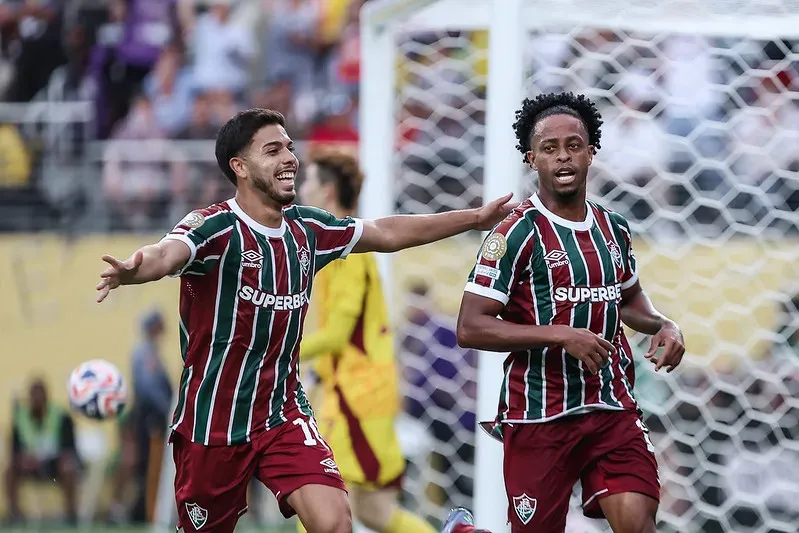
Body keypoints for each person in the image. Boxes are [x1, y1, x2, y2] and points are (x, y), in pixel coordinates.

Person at [95, 108, 514, 533]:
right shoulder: (216, 227)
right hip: (213, 423)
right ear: (239, 167)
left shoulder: (308, 229)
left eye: (290, 148)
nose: (290, 158)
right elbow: (168, 253)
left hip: (282, 414)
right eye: (273, 150)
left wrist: (475, 219)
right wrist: (137, 268)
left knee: (334, 522)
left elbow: (385, 232)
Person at [441, 92, 686, 533]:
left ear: (592, 150)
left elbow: (629, 300)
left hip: (611, 405)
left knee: (638, 523)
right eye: (550, 149)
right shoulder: (513, 233)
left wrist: (664, 323)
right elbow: (470, 326)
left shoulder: (614, 228)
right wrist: (559, 334)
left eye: (574, 145)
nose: (563, 157)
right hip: (540, 412)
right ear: (532, 159)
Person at [296, 148, 436, 533]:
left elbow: (339, 335)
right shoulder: (332, 246)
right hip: (353, 390)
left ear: (326, 192)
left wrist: (282, 351)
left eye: (308, 180)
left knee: (311, 490)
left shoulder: (348, 252)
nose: (301, 187)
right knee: (375, 513)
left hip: (358, 398)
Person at [4, 379, 79, 525]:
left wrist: (53, 458)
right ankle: (14, 513)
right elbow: (14, 449)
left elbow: (70, 448)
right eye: (33, 395)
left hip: (54, 464)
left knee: (68, 467)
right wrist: (22, 459)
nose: (37, 399)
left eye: (40, 394)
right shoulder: (20, 418)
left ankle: (71, 514)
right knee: (9, 470)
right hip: (29, 465)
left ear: (47, 396)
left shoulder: (61, 416)